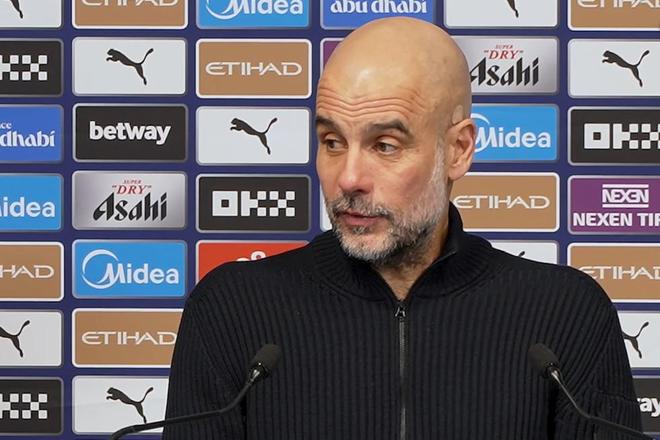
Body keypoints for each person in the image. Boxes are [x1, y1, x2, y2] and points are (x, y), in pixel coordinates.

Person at [164, 18, 641, 439]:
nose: (349, 178)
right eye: (332, 141)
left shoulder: (566, 313)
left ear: (458, 151)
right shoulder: (232, 309)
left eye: (385, 145)